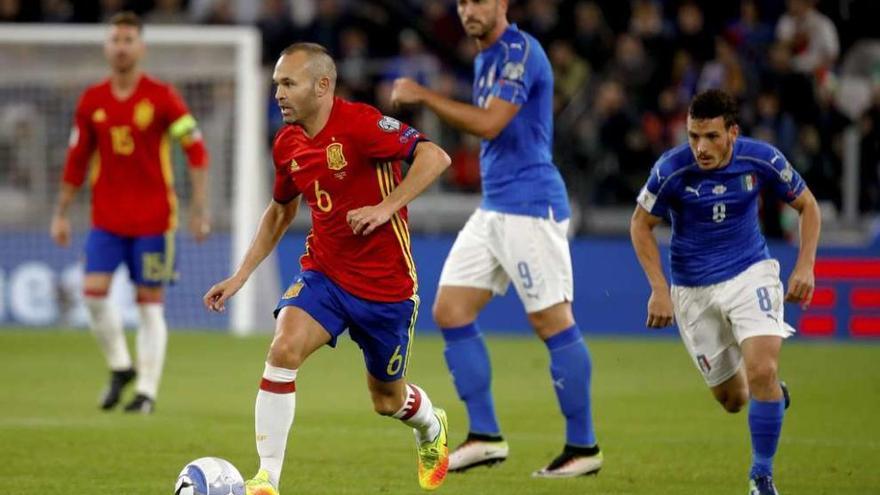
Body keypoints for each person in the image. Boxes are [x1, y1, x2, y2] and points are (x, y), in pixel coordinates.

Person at [203, 43, 452, 494]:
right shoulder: (287, 143)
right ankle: (266, 479)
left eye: (288, 83)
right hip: (325, 276)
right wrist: (240, 277)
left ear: (322, 86)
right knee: (283, 350)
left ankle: (431, 428)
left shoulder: (360, 124)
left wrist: (384, 207)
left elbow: (436, 157)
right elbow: (280, 212)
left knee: (387, 400)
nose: (277, 93)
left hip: (385, 288)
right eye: (276, 83)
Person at [390, 0, 601, 478]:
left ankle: (583, 446)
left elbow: (490, 123)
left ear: (504, 3)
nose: (469, 10)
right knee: (450, 309)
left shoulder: (520, 52)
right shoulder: (486, 58)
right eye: (462, 2)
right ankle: (485, 436)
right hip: (496, 207)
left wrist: (425, 95)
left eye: (479, 0)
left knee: (551, 320)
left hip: (531, 206)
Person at [630, 89, 820, 495]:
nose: (701, 147)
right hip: (692, 288)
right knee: (734, 399)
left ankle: (761, 477)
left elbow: (808, 205)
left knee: (763, 368)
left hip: (749, 272)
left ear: (733, 132)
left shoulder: (761, 158)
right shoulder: (671, 169)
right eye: (693, 136)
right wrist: (658, 288)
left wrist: (805, 264)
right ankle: (770, 395)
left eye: (711, 137)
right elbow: (640, 224)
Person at [50, 11, 210, 414]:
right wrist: (61, 212)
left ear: (141, 47)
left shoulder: (161, 96)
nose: (121, 46)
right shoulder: (92, 101)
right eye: (115, 39)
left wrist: (199, 208)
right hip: (106, 219)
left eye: (128, 39)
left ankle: (147, 393)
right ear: (107, 47)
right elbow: (76, 160)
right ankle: (122, 367)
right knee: (93, 296)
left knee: (148, 304)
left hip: (154, 220)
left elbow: (196, 150)